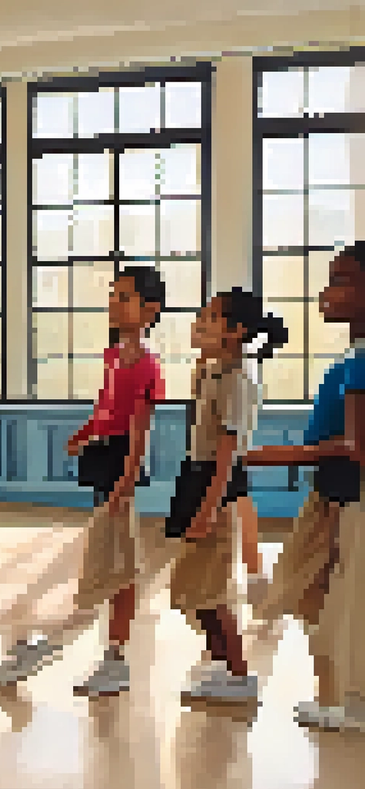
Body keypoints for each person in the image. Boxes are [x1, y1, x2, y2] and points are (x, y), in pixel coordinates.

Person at [0, 266, 166, 697]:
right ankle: (110, 657)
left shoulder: (147, 364)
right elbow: (107, 406)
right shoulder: (112, 357)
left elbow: (140, 429)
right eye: (112, 294)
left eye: (123, 296)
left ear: (149, 310)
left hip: (120, 465)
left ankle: (71, 649)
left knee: (115, 567)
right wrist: (85, 431)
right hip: (103, 458)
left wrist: (126, 482)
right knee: (118, 567)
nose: (112, 302)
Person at [246, 240, 365, 730]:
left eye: (342, 282)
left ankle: (352, 703)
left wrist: (283, 454)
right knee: (315, 592)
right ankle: (339, 695)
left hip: (349, 493)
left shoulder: (359, 362)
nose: (327, 293)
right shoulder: (351, 357)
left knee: (345, 597)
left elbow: (355, 445)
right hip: (335, 493)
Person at [165, 288, 284, 705]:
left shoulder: (238, 376)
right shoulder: (217, 368)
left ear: (235, 331)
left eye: (210, 317)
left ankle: (239, 676)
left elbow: (228, 450)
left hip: (215, 485)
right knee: (190, 589)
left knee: (210, 592)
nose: (199, 323)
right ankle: (219, 665)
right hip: (197, 478)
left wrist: (209, 508)